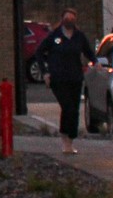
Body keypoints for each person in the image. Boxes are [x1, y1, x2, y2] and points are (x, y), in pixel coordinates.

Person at [36, 9, 95, 153]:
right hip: (58, 78)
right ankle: (64, 138)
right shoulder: (54, 36)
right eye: (67, 18)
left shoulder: (79, 37)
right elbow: (39, 52)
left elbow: (88, 52)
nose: (69, 20)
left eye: (72, 18)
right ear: (62, 19)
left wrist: (96, 62)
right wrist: (45, 73)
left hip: (75, 78)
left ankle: (70, 140)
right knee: (67, 106)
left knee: (74, 110)